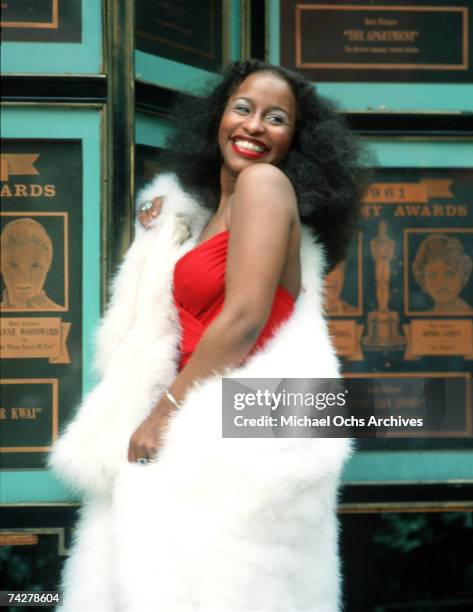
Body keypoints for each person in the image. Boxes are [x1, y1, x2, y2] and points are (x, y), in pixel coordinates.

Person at [51, 60, 366, 612]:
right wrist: (168, 211)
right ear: (218, 117)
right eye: (242, 108)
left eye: (276, 118)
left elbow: (244, 318)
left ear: (297, 139)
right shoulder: (217, 207)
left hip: (228, 439)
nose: (253, 126)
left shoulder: (266, 186)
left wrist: (163, 412)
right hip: (210, 430)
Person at [0, 217, 62, 310]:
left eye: (35, 266)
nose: (24, 279)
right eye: (13, 266)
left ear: (48, 264)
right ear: (1, 266)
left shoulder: (61, 314)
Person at [412, 233, 472, 313]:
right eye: (433, 275)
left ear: (462, 275)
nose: (441, 283)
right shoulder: (425, 316)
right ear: (423, 279)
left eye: (449, 274)